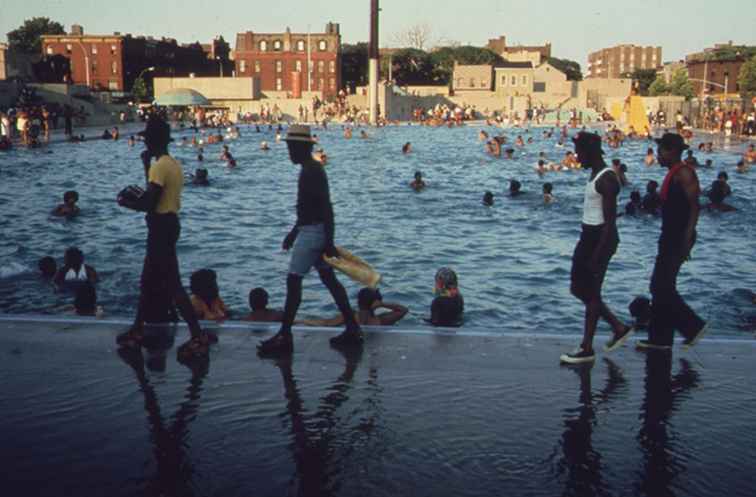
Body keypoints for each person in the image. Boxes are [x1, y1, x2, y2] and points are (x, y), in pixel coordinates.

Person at [257, 124, 362, 355]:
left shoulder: (311, 171)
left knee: (294, 282)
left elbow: (325, 207)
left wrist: (328, 240)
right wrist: (295, 232)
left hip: (313, 233)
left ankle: (285, 335)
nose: (289, 153)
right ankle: (353, 328)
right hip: (313, 231)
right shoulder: (310, 169)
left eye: (292, 148)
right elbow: (312, 208)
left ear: (301, 148)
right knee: (329, 280)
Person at [116, 115, 215, 359]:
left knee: (172, 284)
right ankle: (138, 329)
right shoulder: (171, 164)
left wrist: (125, 203)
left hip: (160, 226)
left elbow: (150, 202)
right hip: (169, 223)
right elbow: (154, 189)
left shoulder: (160, 167)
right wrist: (146, 165)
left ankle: (197, 334)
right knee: (148, 280)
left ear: (151, 141)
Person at [561, 132, 632, 364]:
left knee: (591, 292)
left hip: (600, 238)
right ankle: (617, 326)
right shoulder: (595, 174)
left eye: (579, 152)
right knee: (578, 288)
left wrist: (598, 253)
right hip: (588, 236)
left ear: (590, 152)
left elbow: (610, 223)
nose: (576, 157)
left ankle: (587, 347)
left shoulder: (606, 180)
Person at [637, 133, 707, 351]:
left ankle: (693, 326)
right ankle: (660, 339)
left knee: (661, 286)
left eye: (661, 151)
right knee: (660, 286)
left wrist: (687, 238)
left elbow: (695, 207)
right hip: (669, 234)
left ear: (672, 152)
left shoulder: (685, 173)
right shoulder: (672, 174)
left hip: (678, 236)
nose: (658, 156)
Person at [301, 287, 408, 327]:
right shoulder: (382, 320)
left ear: (358, 302)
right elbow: (403, 310)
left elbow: (325, 323)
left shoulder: (350, 316)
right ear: (376, 304)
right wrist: (382, 304)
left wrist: (299, 321)